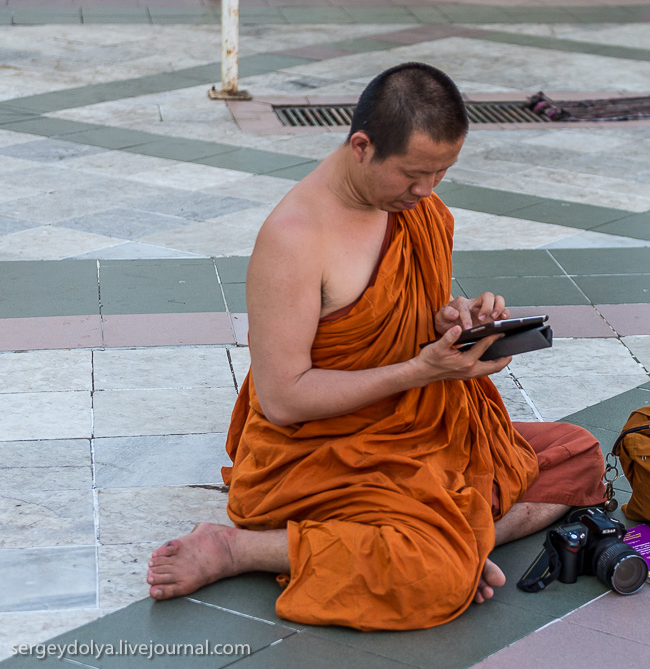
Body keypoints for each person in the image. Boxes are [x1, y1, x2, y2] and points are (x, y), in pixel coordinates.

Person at [144, 62, 607, 631]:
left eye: (441, 174)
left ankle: (452, 538)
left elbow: (403, 312)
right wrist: (420, 370)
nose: (426, 191)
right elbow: (285, 398)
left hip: (422, 432)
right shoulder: (294, 239)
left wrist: (455, 323)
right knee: (431, 576)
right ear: (361, 146)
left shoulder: (418, 211)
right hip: (324, 452)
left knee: (579, 453)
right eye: (413, 174)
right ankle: (241, 550)